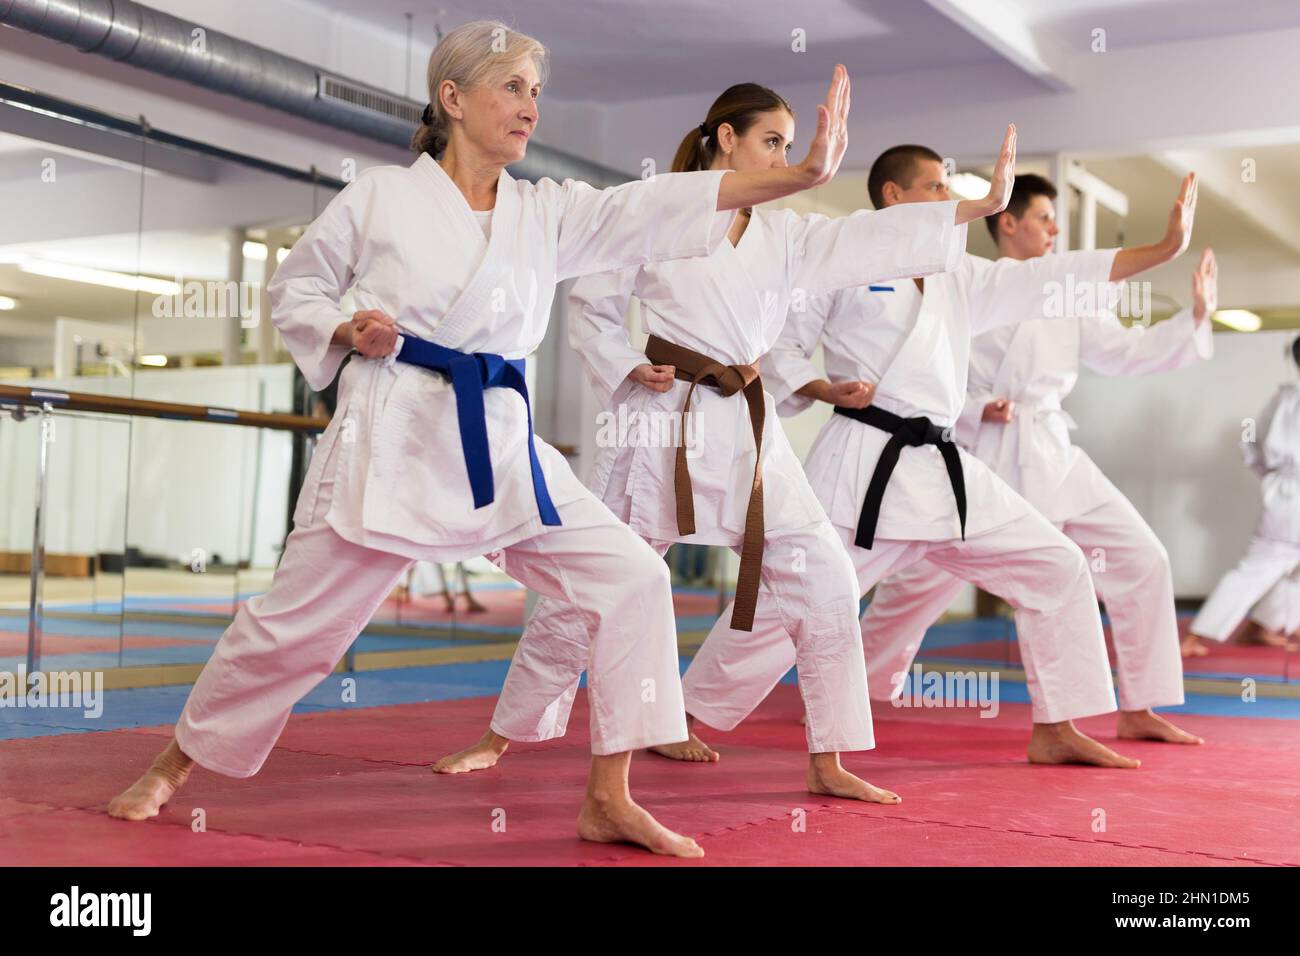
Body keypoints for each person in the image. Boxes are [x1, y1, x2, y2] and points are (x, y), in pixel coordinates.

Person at [107, 21, 857, 858]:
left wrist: (801, 175)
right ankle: (172, 766)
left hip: (502, 444)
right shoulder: (381, 198)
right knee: (296, 629)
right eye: (510, 86)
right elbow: (298, 288)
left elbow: (647, 208)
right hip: (390, 438)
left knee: (633, 576)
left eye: (536, 91)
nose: (529, 105)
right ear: (453, 99)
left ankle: (609, 796)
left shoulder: (547, 210)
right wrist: (346, 327)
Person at [432, 86, 1015, 808]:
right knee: (590, 595)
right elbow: (591, 307)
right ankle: (502, 735)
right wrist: (624, 367)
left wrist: (973, 209)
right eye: (773, 141)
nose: (782, 156)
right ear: (727, 139)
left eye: (788, 144)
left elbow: (868, 237)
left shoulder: (784, 234)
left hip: (747, 429)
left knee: (826, 579)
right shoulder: (659, 207)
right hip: (659, 425)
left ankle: (828, 756)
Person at [686, 146, 1199, 769]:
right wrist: (821, 387)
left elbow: (1047, 279)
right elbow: (783, 347)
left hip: (942, 465)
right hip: (864, 460)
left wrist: (1160, 252)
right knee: (792, 593)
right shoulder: (840, 260)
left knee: (1058, 565)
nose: (947, 197)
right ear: (894, 197)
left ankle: (1057, 725)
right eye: (934, 186)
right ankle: (685, 713)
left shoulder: (960, 272)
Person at [858, 179, 1216, 746]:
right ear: (1008, 222)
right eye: (1045, 218)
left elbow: (1123, 353)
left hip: (1051, 449)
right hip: (979, 455)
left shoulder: (1066, 292)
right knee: (918, 586)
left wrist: (1193, 320)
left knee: (1143, 558)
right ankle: (856, 692)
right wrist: (976, 409)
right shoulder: (964, 282)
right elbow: (927, 366)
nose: (1054, 230)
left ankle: (1139, 705)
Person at [1182, 335, 1300, 658]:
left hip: (1283, 491)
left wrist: (1271, 475)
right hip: (1293, 494)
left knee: (1278, 565)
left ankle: (1261, 626)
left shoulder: (1283, 397)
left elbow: (1249, 439)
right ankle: (1195, 635)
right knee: (1262, 565)